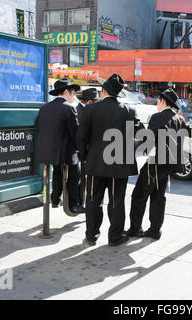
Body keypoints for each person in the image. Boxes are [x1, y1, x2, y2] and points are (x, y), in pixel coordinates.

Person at [126, 88, 192, 240]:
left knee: (139, 196)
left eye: (158, 100)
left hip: (155, 163)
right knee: (158, 197)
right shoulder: (180, 119)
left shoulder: (157, 117)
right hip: (171, 165)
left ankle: (135, 229)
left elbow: (148, 140)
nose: (157, 103)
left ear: (163, 101)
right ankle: (155, 231)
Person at [76, 74, 144, 246]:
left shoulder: (90, 109)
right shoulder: (129, 111)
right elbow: (143, 136)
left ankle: (91, 236)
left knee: (92, 201)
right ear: (118, 93)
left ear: (104, 91)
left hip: (95, 163)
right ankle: (114, 237)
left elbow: (81, 138)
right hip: (119, 165)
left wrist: (84, 158)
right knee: (117, 202)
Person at [35, 79, 85, 214]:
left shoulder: (44, 108)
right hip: (67, 151)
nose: (74, 97)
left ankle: (55, 198)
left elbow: (37, 126)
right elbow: (76, 132)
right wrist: (80, 148)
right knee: (75, 174)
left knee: (57, 172)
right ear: (65, 92)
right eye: (73, 93)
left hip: (48, 151)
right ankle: (73, 204)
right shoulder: (69, 108)